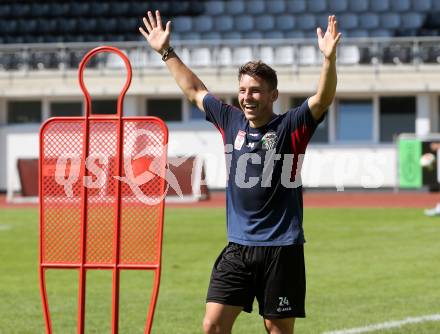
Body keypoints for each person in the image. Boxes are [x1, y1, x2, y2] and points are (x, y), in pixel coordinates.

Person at [140, 10, 341, 334]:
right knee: (213, 325)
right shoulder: (230, 119)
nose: (247, 97)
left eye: (256, 90)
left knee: (277, 330)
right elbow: (194, 90)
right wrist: (166, 52)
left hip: (281, 249)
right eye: (243, 90)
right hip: (238, 247)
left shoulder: (291, 126)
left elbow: (323, 98)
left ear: (273, 95)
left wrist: (329, 60)